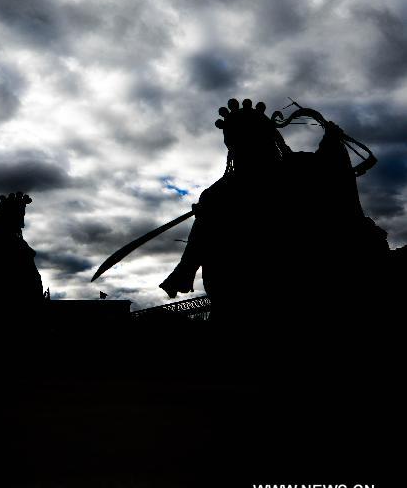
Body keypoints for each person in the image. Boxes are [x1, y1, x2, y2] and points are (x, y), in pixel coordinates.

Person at [159, 98, 387, 321]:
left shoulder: (292, 171)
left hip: (292, 290)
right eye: (242, 139)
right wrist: (185, 269)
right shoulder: (219, 193)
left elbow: (328, 169)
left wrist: (331, 143)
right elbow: (201, 238)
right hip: (246, 297)